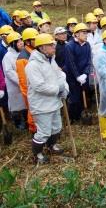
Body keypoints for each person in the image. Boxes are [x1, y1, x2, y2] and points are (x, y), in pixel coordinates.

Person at [26, 33, 69, 164]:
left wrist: (64, 89)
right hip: (41, 105)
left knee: (56, 127)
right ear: (42, 47)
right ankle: (37, 153)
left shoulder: (51, 60)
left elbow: (60, 75)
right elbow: (39, 86)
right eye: (51, 45)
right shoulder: (33, 65)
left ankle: (51, 146)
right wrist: (58, 89)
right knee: (44, 131)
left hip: (54, 102)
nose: (53, 47)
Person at [64, 23, 92, 122]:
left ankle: (81, 114)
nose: (86, 35)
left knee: (83, 94)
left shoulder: (87, 45)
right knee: (74, 96)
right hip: (72, 76)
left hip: (84, 75)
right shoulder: (69, 46)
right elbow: (71, 63)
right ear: (76, 34)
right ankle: (72, 117)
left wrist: (85, 74)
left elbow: (89, 61)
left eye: (86, 33)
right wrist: (77, 76)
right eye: (83, 33)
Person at [2, 31, 27, 130]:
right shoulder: (7, 57)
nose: (21, 43)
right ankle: (17, 122)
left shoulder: (24, 54)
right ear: (12, 44)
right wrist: (21, 81)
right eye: (18, 41)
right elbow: (9, 72)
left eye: (21, 40)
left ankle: (26, 122)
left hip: (25, 84)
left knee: (26, 105)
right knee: (16, 107)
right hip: (15, 86)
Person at [16, 28, 39, 133]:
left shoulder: (35, 53)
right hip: (31, 91)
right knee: (33, 111)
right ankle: (34, 130)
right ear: (28, 41)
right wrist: (28, 95)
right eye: (35, 39)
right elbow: (23, 80)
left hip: (38, 88)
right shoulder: (22, 58)